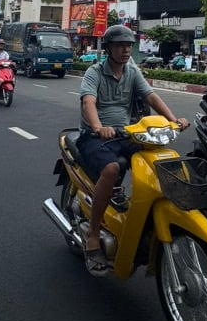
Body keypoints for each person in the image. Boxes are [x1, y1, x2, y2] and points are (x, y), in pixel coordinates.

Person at [78, 24, 190, 276]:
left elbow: (151, 97)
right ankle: (94, 234)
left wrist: (174, 120)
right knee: (111, 168)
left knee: (157, 160)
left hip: (128, 132)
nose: (126, 49)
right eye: (120, 45)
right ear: (108, 48)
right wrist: (98, 127)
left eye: (129, 45)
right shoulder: (94, 72)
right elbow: (88, 102)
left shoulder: (132, 70)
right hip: (96, 136)